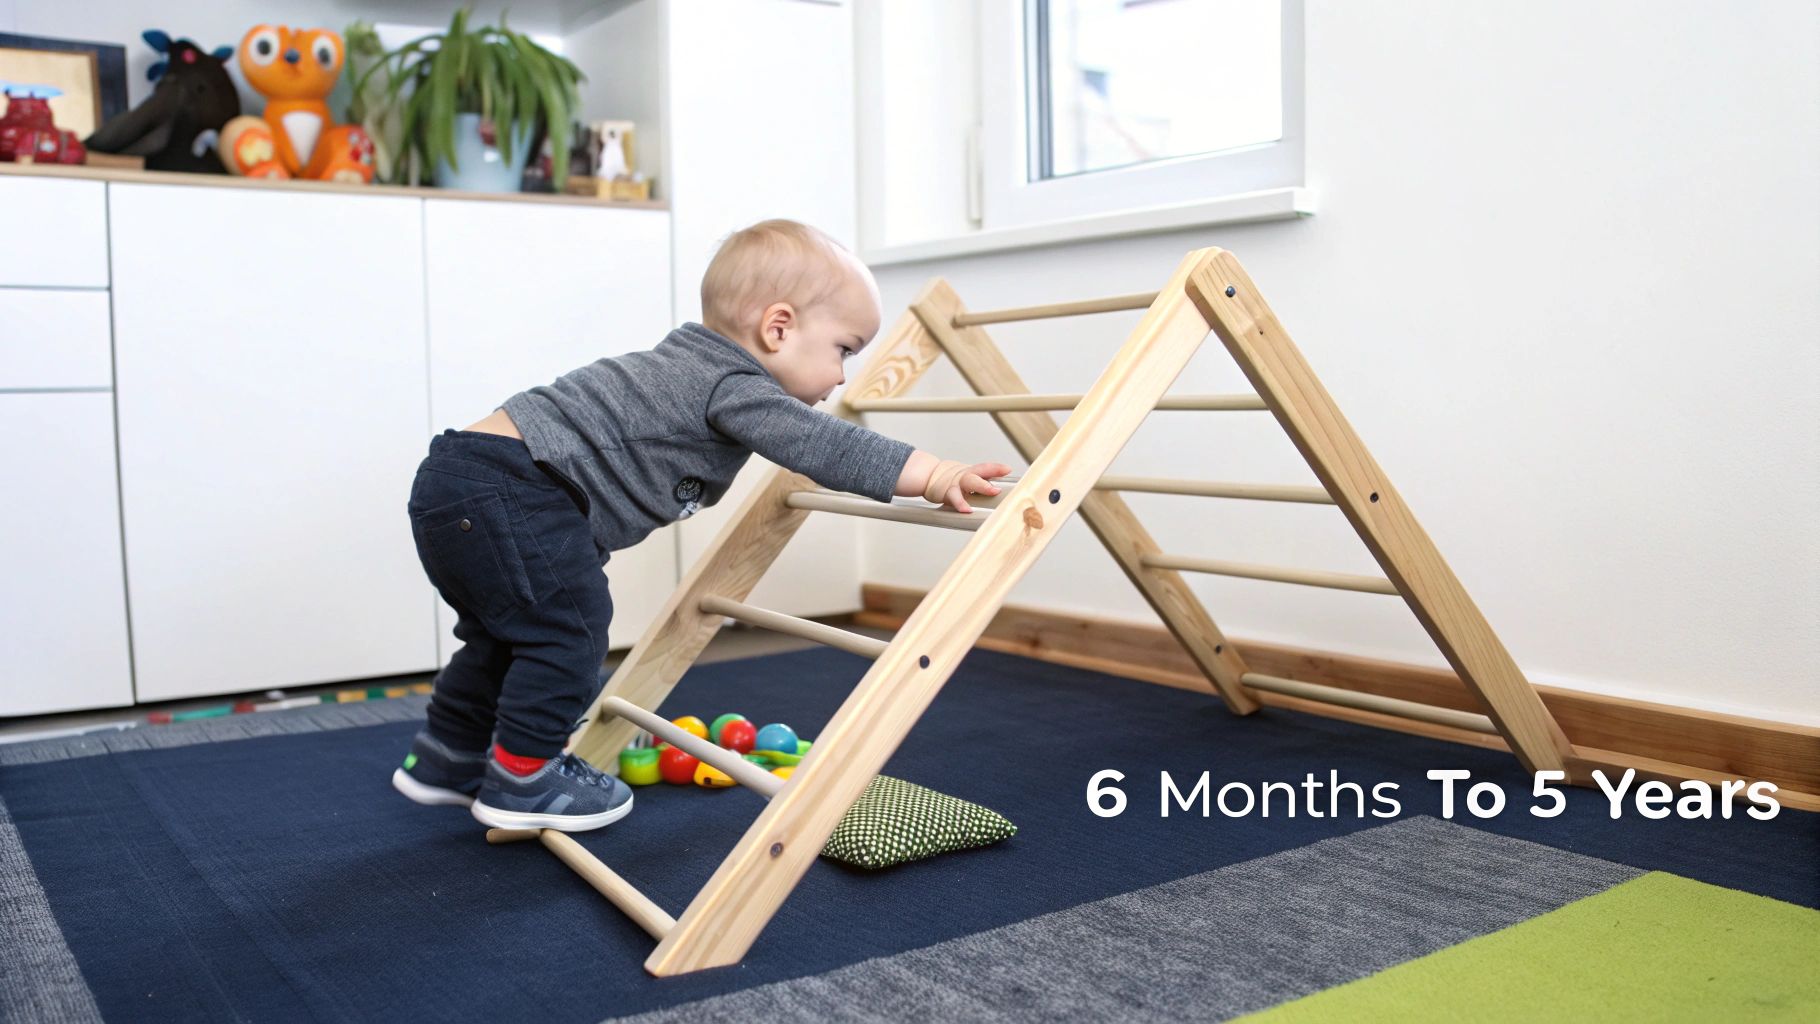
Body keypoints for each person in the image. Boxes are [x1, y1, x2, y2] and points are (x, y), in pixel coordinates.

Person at [391, 219, 1011, 831]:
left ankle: (448, 757)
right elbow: (827, 448)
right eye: (843, 350)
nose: (842, 375)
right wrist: (933, 474)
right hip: (512, 486)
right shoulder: (730, 382)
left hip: (458, 482)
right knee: (569, 632)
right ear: (778, 328)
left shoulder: (684, 363)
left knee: (509, 637)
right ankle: (525, 778)